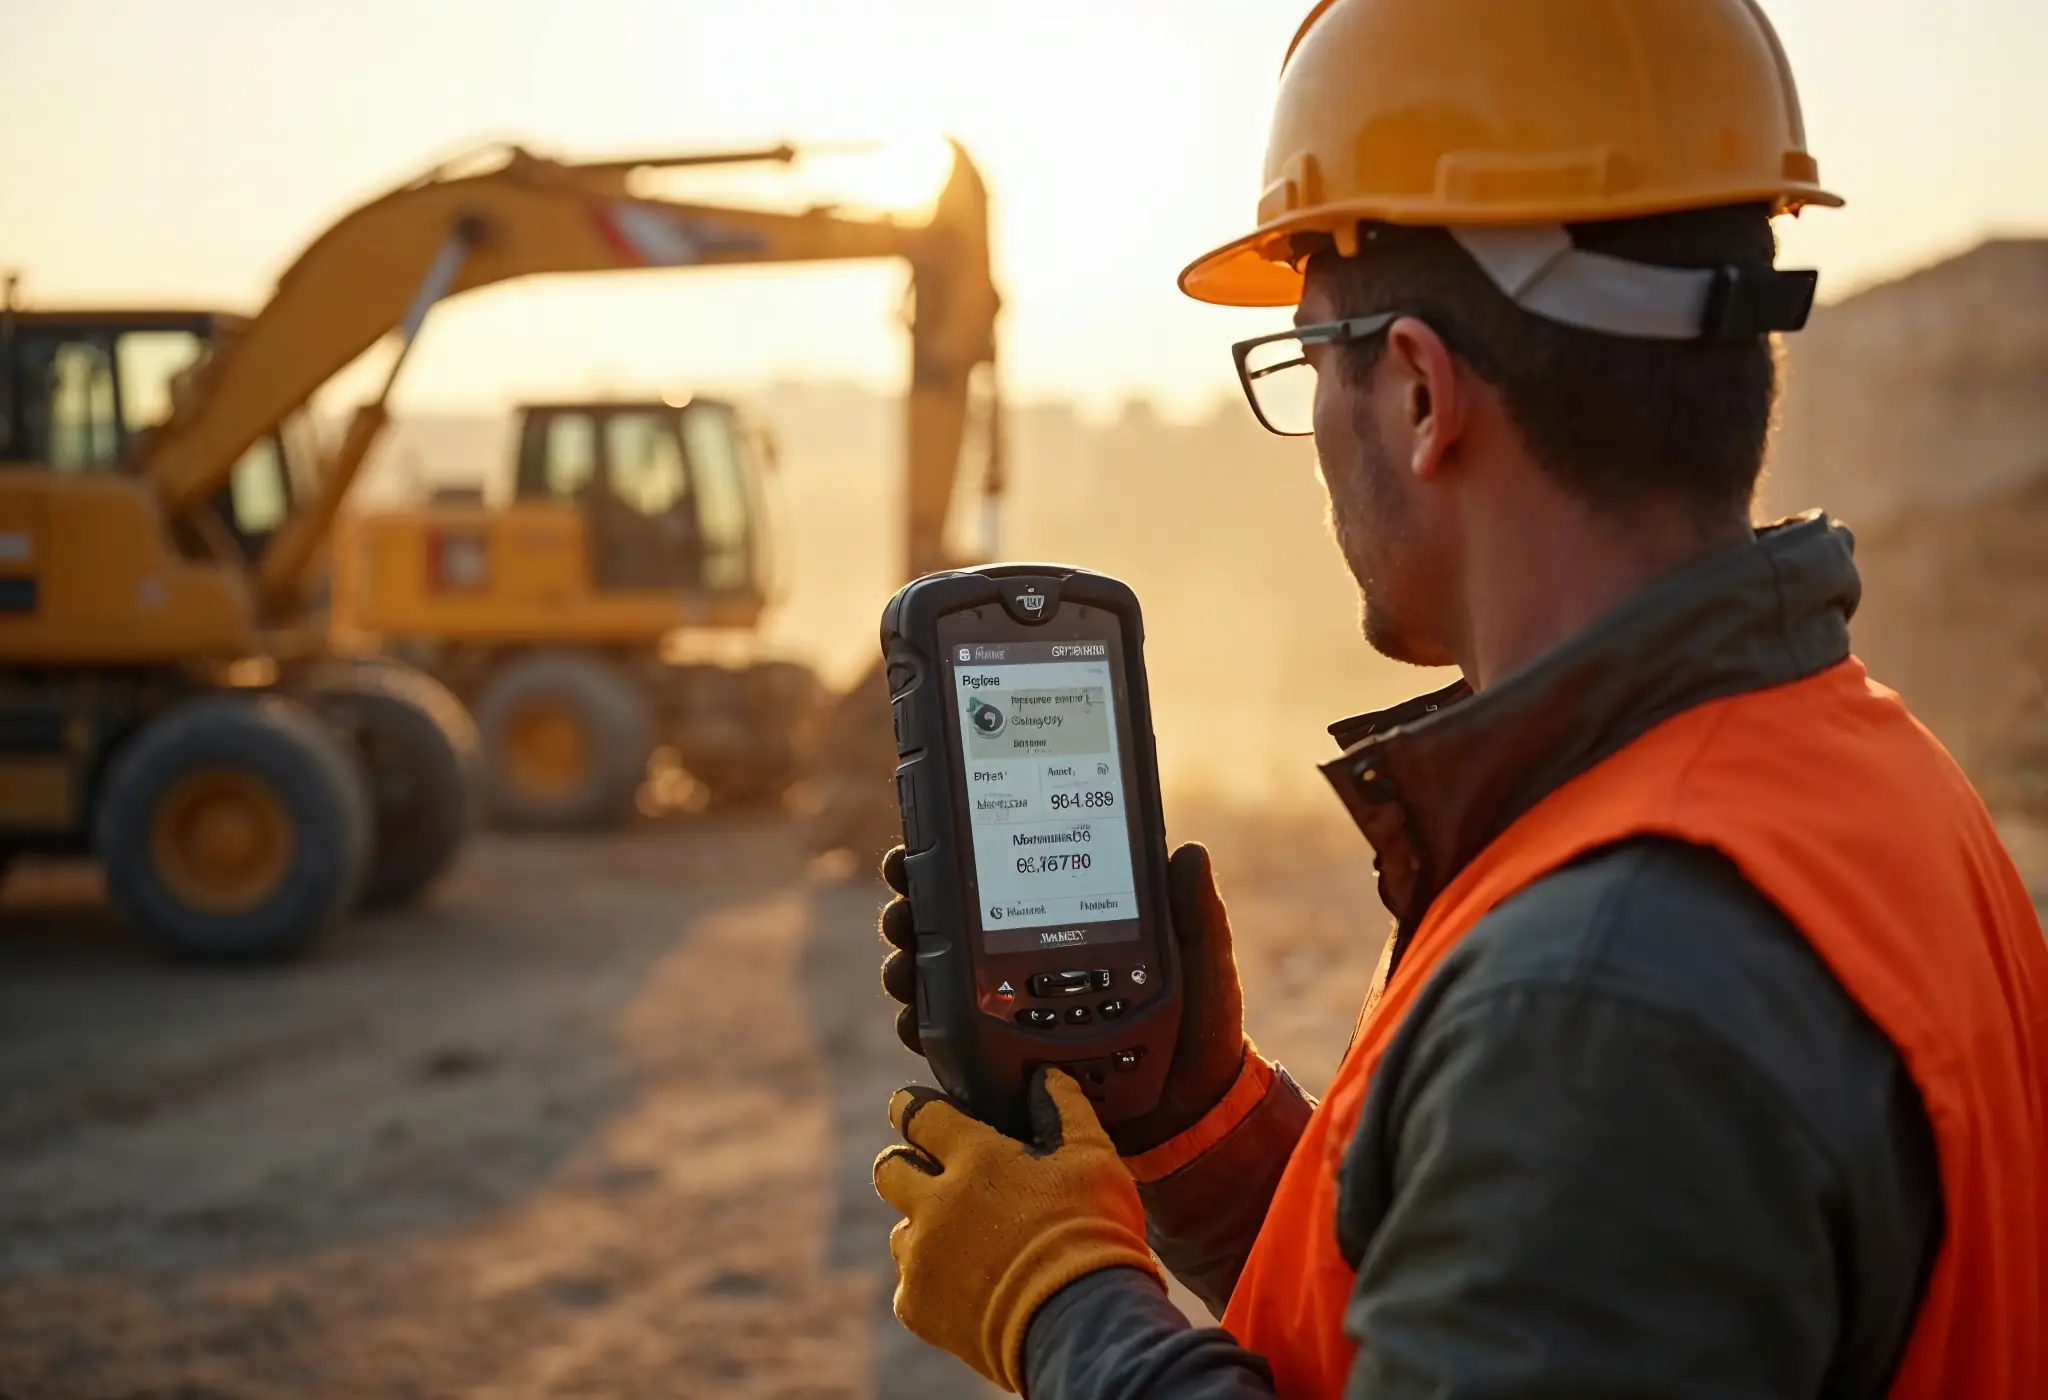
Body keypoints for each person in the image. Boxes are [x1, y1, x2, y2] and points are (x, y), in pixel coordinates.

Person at [870, 1, 2048, 1396]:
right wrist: (1203, 1129)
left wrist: (1061, 1306)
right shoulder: (1857, 777)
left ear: (1421, 393)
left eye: (1306, 363)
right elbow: (1490, 1313)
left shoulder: (1602, 1002)